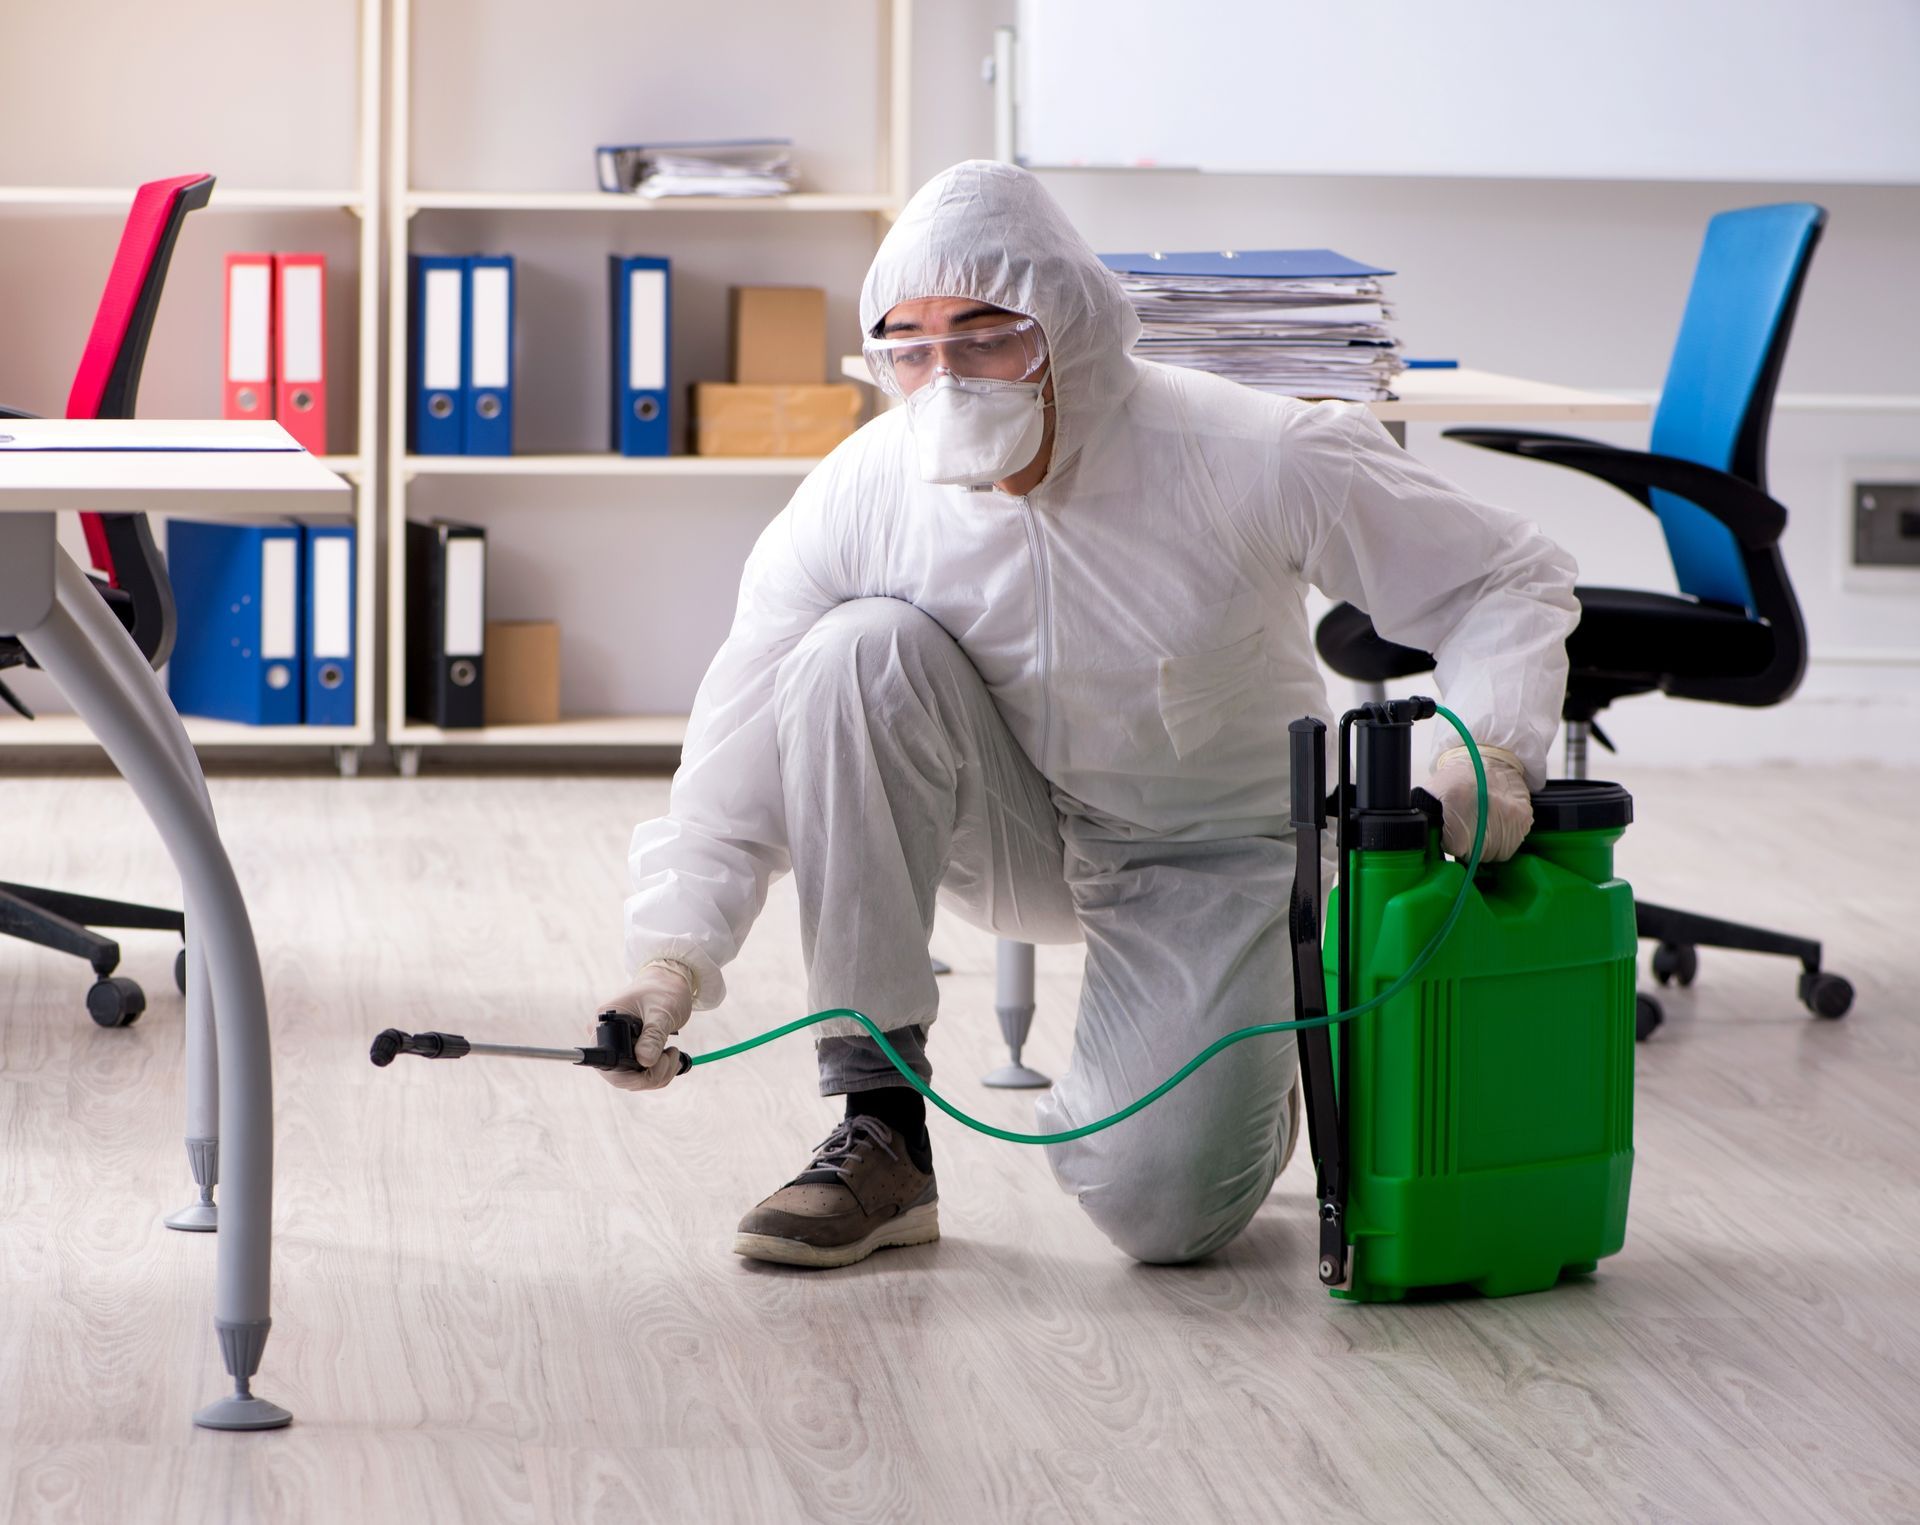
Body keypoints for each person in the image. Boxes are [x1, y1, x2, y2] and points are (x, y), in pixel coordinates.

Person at [601, 161, 1576, 1270]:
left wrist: (1491, 749)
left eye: (986, 337)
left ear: (1069, 323)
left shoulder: (1251, 453)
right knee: (848, 656)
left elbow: (1504, 575)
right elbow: (741, 741)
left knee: (1164, 1217)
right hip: (1005, 827)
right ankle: (881, 1130)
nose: (949, 379)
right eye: (910, 348)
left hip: (1209, 851)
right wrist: (669, 961)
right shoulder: (862, 490)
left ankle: (1245, 1067)